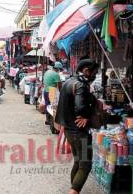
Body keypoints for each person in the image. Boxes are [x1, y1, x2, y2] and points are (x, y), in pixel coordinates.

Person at [55, 59, 99, 194]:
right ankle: (73, 191)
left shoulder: (68, 81)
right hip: (79, 133)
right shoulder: (80, 85)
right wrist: (86, 115)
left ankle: (74, 188)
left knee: (78, 161)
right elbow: (80, 106)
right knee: (85, 165)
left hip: (69, 130)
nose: (94, 76)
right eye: (94, 73)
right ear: (86, 71)